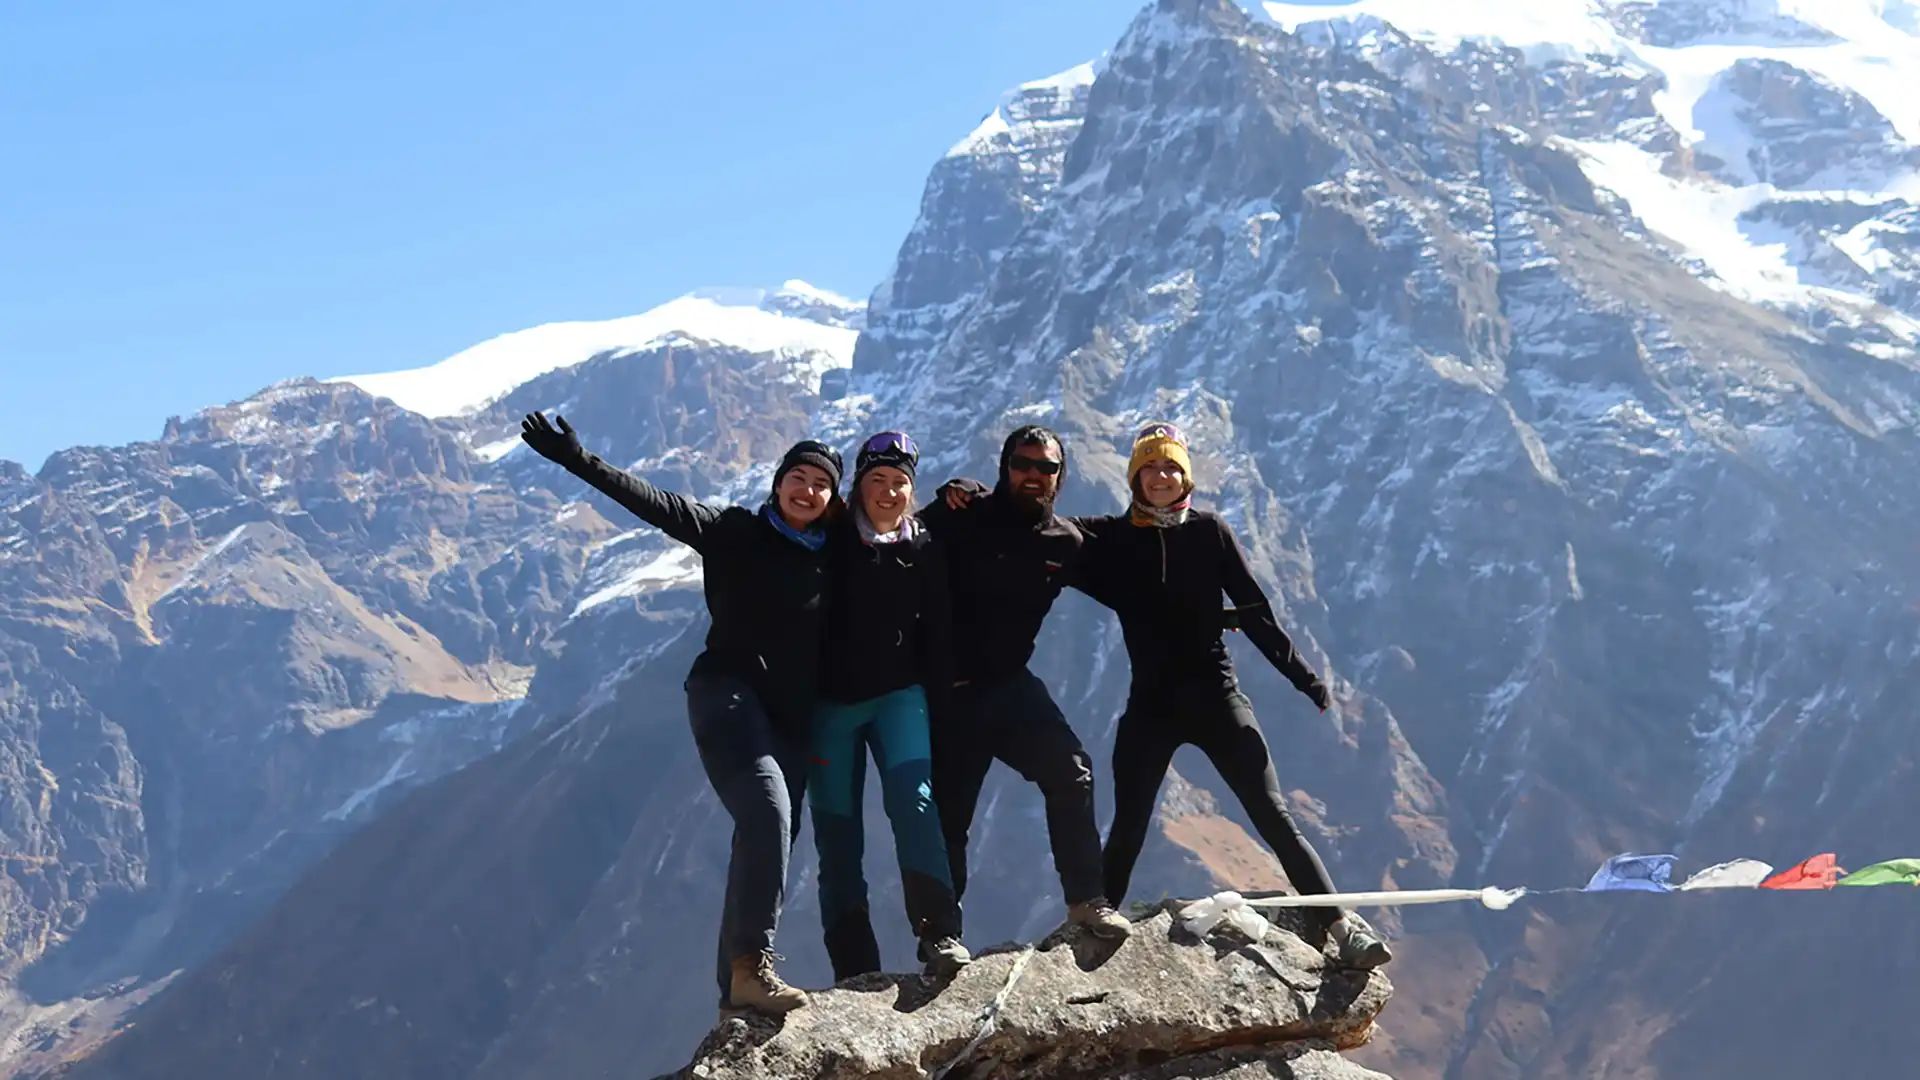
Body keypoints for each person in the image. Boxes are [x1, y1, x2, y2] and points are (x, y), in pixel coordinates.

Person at [519, 411, 840, 1015]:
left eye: (821, 483)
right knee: (769, 811)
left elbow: (904, 543)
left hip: (791, 722)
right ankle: (753, 969)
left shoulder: (836, 557)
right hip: (728, 697)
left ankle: (736, 995)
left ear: (832, 498)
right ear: (778, 483)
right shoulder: (734, 533)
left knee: (766, 838)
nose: (808, 490)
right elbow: (655, 504)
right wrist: (576, 458)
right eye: (798, 476)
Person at [1076, 422, 1391, 969]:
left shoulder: (1210, 532)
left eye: (1172, 467)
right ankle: (1091, 930)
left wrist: (1304, 679)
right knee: (1128, 824)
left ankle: (1342, 929)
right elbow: (1035, 530)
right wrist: (971, 498)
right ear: (1134, 476)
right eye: (1150, 467)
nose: (1161, 476)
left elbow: (1255, 612)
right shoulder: (1110, 536)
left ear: (1186, 478)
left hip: (1218, 699)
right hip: (1151, 707)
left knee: (1273, 816)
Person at [916, 426, 1133, 941]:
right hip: (949, 693)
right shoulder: (959, 515)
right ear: (1004, 465)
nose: (1034, 475)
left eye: (1047, 467)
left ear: (1061, 477)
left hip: (1011, 686)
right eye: (1023, 463)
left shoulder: (1066, 541)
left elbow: (1128, 576)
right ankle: (941, 938)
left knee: (1072, 772)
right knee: (949, 817)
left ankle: (1087, 902)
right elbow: (891, 541)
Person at [809, 431, 972, 981]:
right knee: (838, 834)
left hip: (901, 699)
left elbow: (943, 631)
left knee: (917, 807)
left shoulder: (923, 545)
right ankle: (856, 969)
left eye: (900, 483)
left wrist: (945, 705)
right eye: (877, 481)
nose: (889, 492)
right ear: (857, 487)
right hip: (831, 709)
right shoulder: (828, 540)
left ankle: (941, 937)